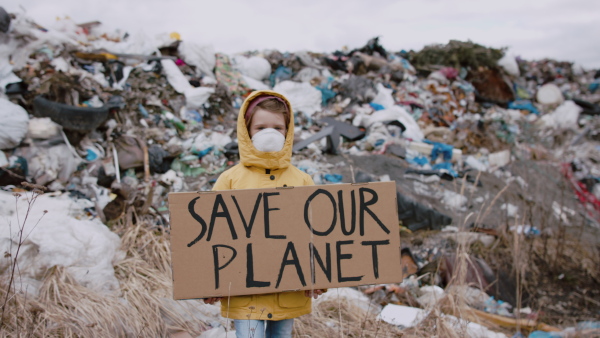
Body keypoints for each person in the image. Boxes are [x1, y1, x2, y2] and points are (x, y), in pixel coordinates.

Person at [204, 90, 325, 338]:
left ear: (288, 131)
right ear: (246, 130)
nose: (269, 134)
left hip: (288, 290)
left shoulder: (302, 180)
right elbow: (211, 233)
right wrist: (211, 280)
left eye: (277, 128)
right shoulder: (230, 179)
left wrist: (319, 274)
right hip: (244, 291)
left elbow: (317, 232)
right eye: (260, 127)